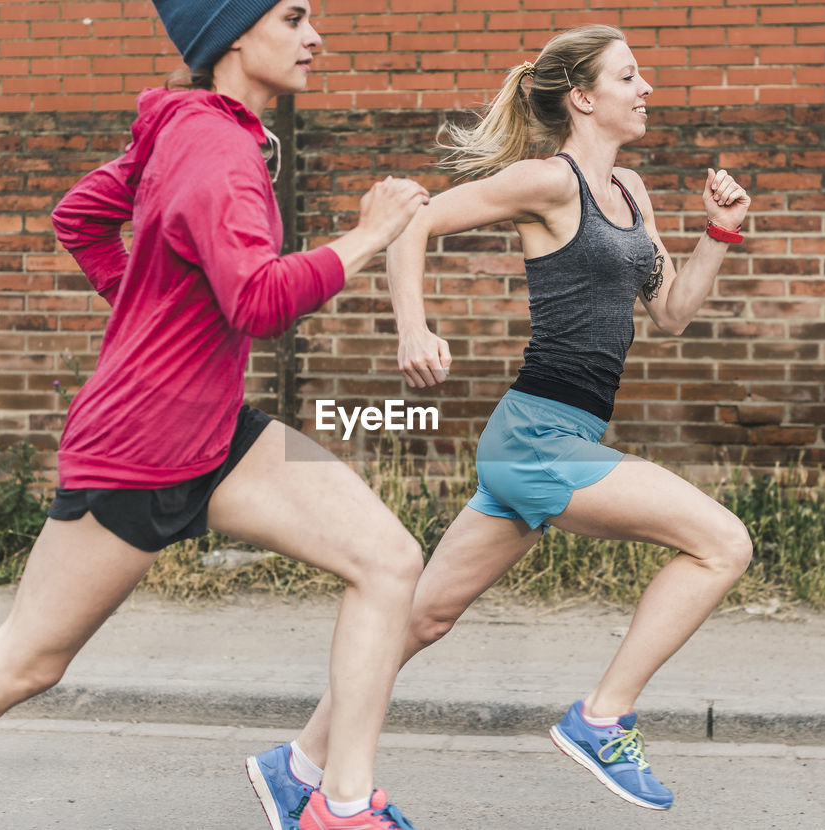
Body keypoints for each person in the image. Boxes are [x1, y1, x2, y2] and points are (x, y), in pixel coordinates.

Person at [0, 2, 430, 829]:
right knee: (28, 657)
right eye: (293, 16)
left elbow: (79, 217)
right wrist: (368, 236)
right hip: (140, 446)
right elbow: (259, 301)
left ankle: (339, 801)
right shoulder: (218, 151)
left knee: (390, 561)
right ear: (229, 35)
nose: (315, 35)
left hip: (217, 429)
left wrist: (149, 318)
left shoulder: (193, 129)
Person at [244, 23, 754, 821]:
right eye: (629, 77)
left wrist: (719, 231)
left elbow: (672, 313)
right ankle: (601, 719)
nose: (646, 88)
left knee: (423, 617)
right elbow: (412, 221)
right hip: (536, 440)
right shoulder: (549, 183)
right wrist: (413, 328)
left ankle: (299, 763)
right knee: (723, 543)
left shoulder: (632, 194)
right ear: (584, 98)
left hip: (561, 439)